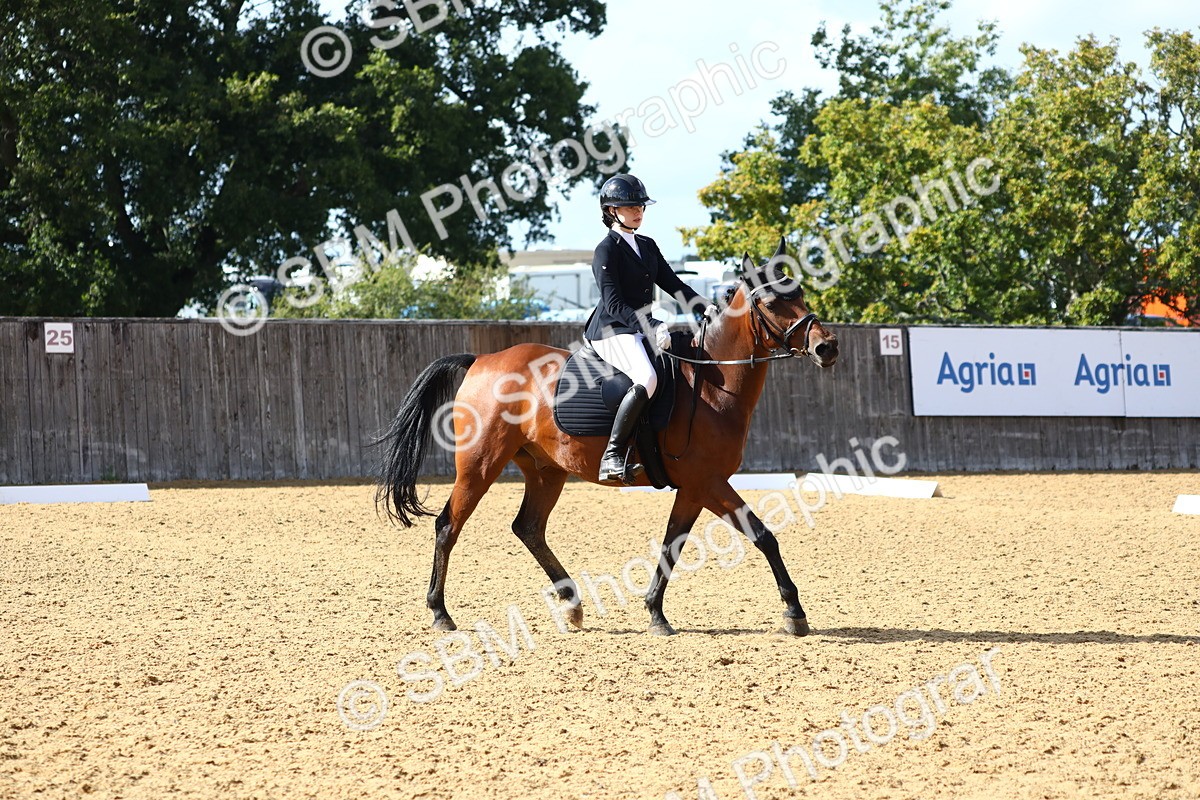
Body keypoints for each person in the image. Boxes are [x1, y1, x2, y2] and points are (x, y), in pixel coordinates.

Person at [583, 173, 718, 484]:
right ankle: (613, 455)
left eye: (640, 206)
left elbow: (673, 284)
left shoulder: (647, 245)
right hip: (610, 330)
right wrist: (652, 323)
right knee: (647, 377)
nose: (638, 211)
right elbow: (614, 303)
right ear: (611, 211)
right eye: (630, 207)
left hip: (638, 328)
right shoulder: (606, 250)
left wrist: (703, 306)